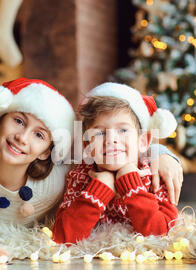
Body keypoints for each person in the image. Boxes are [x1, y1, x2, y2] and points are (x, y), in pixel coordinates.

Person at [0, 78, 183, 260]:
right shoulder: (78, 172)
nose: (22, 138)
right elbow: (65, 235)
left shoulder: (63, 172)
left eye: (39, 134)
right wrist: (100, 187)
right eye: (18, 121)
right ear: (0, 121)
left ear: (49, 149)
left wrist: (161, 155)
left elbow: (164, 231)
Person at [52, 82, 180, 244]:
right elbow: (61, 237)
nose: (111, 139)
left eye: (123, 130)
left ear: (143, 141)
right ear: (87, 145)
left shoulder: (154, 176)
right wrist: (99, 189)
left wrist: (132, 185)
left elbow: (163, 233)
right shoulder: (80, 177)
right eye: (100, 132)